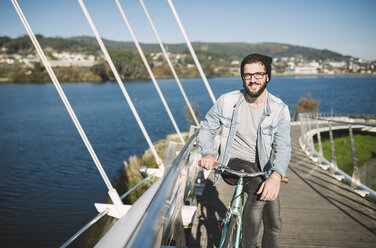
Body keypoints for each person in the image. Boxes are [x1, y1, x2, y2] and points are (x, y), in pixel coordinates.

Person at [198, 53, 291, 247]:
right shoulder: (226, 101)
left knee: (274, 223)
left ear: (268, 77)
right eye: (248, 75)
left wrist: (275, 176)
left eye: (258, 74)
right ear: (242, 77)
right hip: (232, 164)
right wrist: (208, 153)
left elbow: (283, 146)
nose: (252, 79)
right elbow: (206, 128)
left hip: (261, 168)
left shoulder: (279, 109)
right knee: (258, 189)